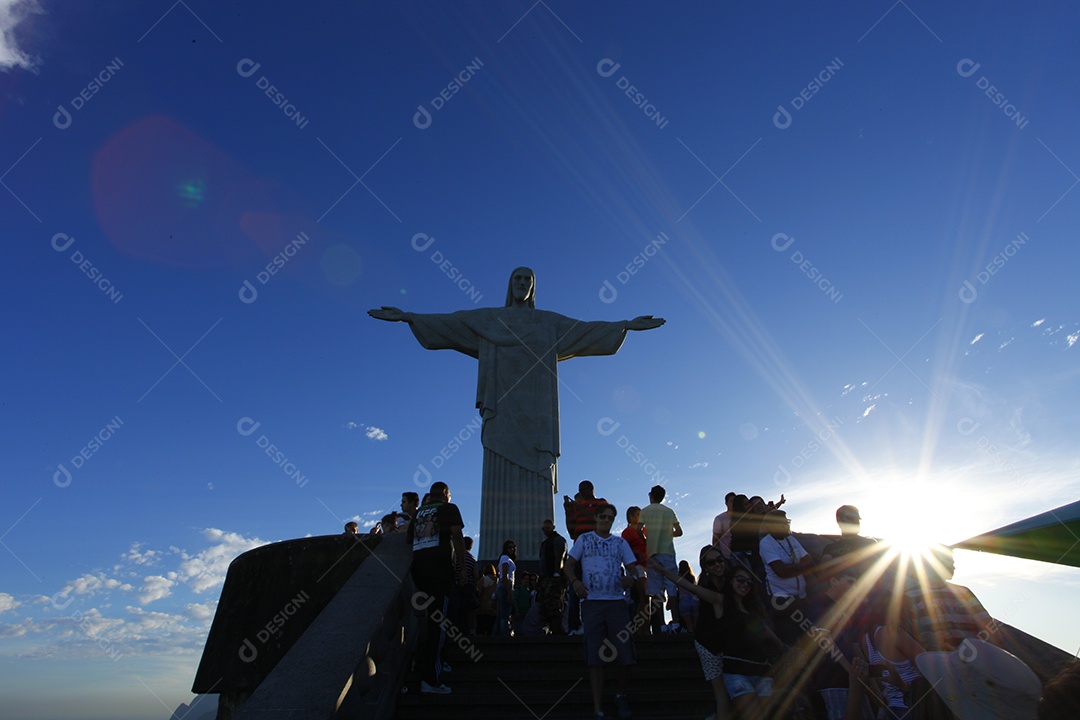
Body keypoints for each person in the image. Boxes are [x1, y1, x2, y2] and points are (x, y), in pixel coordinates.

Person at [369, 267, 664, 562]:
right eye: (517, 279)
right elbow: (453, 322)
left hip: (538, 417)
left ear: (533, 287)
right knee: (498, 467)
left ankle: (536, 556)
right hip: (501, 413)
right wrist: (409, 316)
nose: (522, 284)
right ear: (510, 285)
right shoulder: (490, 319)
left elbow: (583, 330)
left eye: (528, 280)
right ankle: (494, 556)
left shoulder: (547, 322)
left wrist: (625, 325)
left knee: (538, 472)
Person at [565, 503, 638, 719]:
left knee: (625, 652)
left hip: (616, 603)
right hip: (592, 603)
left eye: (610, 518)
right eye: (603, 517)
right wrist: (575, 582)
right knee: (595, 656)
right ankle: (598, 708)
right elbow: (568, 565)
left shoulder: (620, 543)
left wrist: (631, 579)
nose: (606, 520)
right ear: (596, 518)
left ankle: (620, 694)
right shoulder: (584, 540)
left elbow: (635, 569)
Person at [649, 547, 732, 720]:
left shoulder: (732, 583)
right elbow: (683, 584)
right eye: (711, 562)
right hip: (708, 644)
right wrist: (663, 570)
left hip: (728, 641)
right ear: (705, 566)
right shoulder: (705, 587)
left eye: (720, 560)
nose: (717, 564)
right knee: (722, 693)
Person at [407, 481, 467, 695]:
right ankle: (430, 679)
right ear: (445, 494)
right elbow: (458, 537)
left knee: (429, 621)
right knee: (438, 623)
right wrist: (462, 569)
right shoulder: (449, 508)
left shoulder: (420, 512)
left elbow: (409, 539)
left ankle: (435, 663)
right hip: (440, 571)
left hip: (418, 570)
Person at [901, 545, 996, 652]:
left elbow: (987, 625)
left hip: (974, 657)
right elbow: (911, 635)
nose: (954, 567)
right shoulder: (910, 596)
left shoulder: (964, 592)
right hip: (936, 659)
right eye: (949, 562)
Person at [759, 509, 813, 646]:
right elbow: (781, 572)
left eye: (786, 522)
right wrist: (799, 567)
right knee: (792, 640)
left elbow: (809, 561)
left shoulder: (792, 539)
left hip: (801, 595)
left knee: (808, 638)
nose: (786, 526)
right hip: (782, 599)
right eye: (781, 523)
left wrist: (791, 568)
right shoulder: (766, 543)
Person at [640, 484, 683, 629]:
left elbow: (638, 529)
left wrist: (647, 539)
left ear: (651, 496)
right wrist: (668, 533)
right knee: (672, 587)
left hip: (652, 552)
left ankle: (662, 624)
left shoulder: (645, 511)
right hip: (668, 552)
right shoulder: (670, 511)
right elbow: (679, 531)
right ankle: (676, 622)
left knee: (656, 590)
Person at [621, 506, 648, 634]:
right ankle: (639, 627)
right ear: (631, 517)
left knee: (647, 597)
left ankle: (645, 626)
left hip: (648, 566)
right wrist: (636, 552)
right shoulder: (628, 532)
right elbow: (624, 550)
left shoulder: (643, 531)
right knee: (643, 596)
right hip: (636, 566)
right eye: (638, 515)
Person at [495, 540, 517, 636]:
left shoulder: (504, 558)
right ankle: (504, 637)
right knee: (505, 616)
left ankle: (496, 636)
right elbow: (505, 575)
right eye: (509, 547)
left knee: (500, 615)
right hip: (505, 585)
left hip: (502, 585)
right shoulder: (505, 558)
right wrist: (509, 593)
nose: (511, 549)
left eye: (513, 547)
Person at [676, 560, 700, 634]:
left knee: (689, 627)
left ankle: (691, 639)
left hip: (683, 601)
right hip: (694, 600)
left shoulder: (678, 578)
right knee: (696, 626)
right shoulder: (692, 577)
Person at [711, 491, 737, 558]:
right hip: (727, 555)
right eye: (731, 501)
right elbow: (715, 540)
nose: (734, 503)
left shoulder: (741, 517)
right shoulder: (720, 519)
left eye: (735, 501)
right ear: (726, 503)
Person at [475, 562, 498, 636]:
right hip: (493, 609)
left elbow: (478, 593)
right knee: (490, 631)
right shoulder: (497, 581)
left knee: (480, 631)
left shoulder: (483, 580)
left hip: (482, 609)